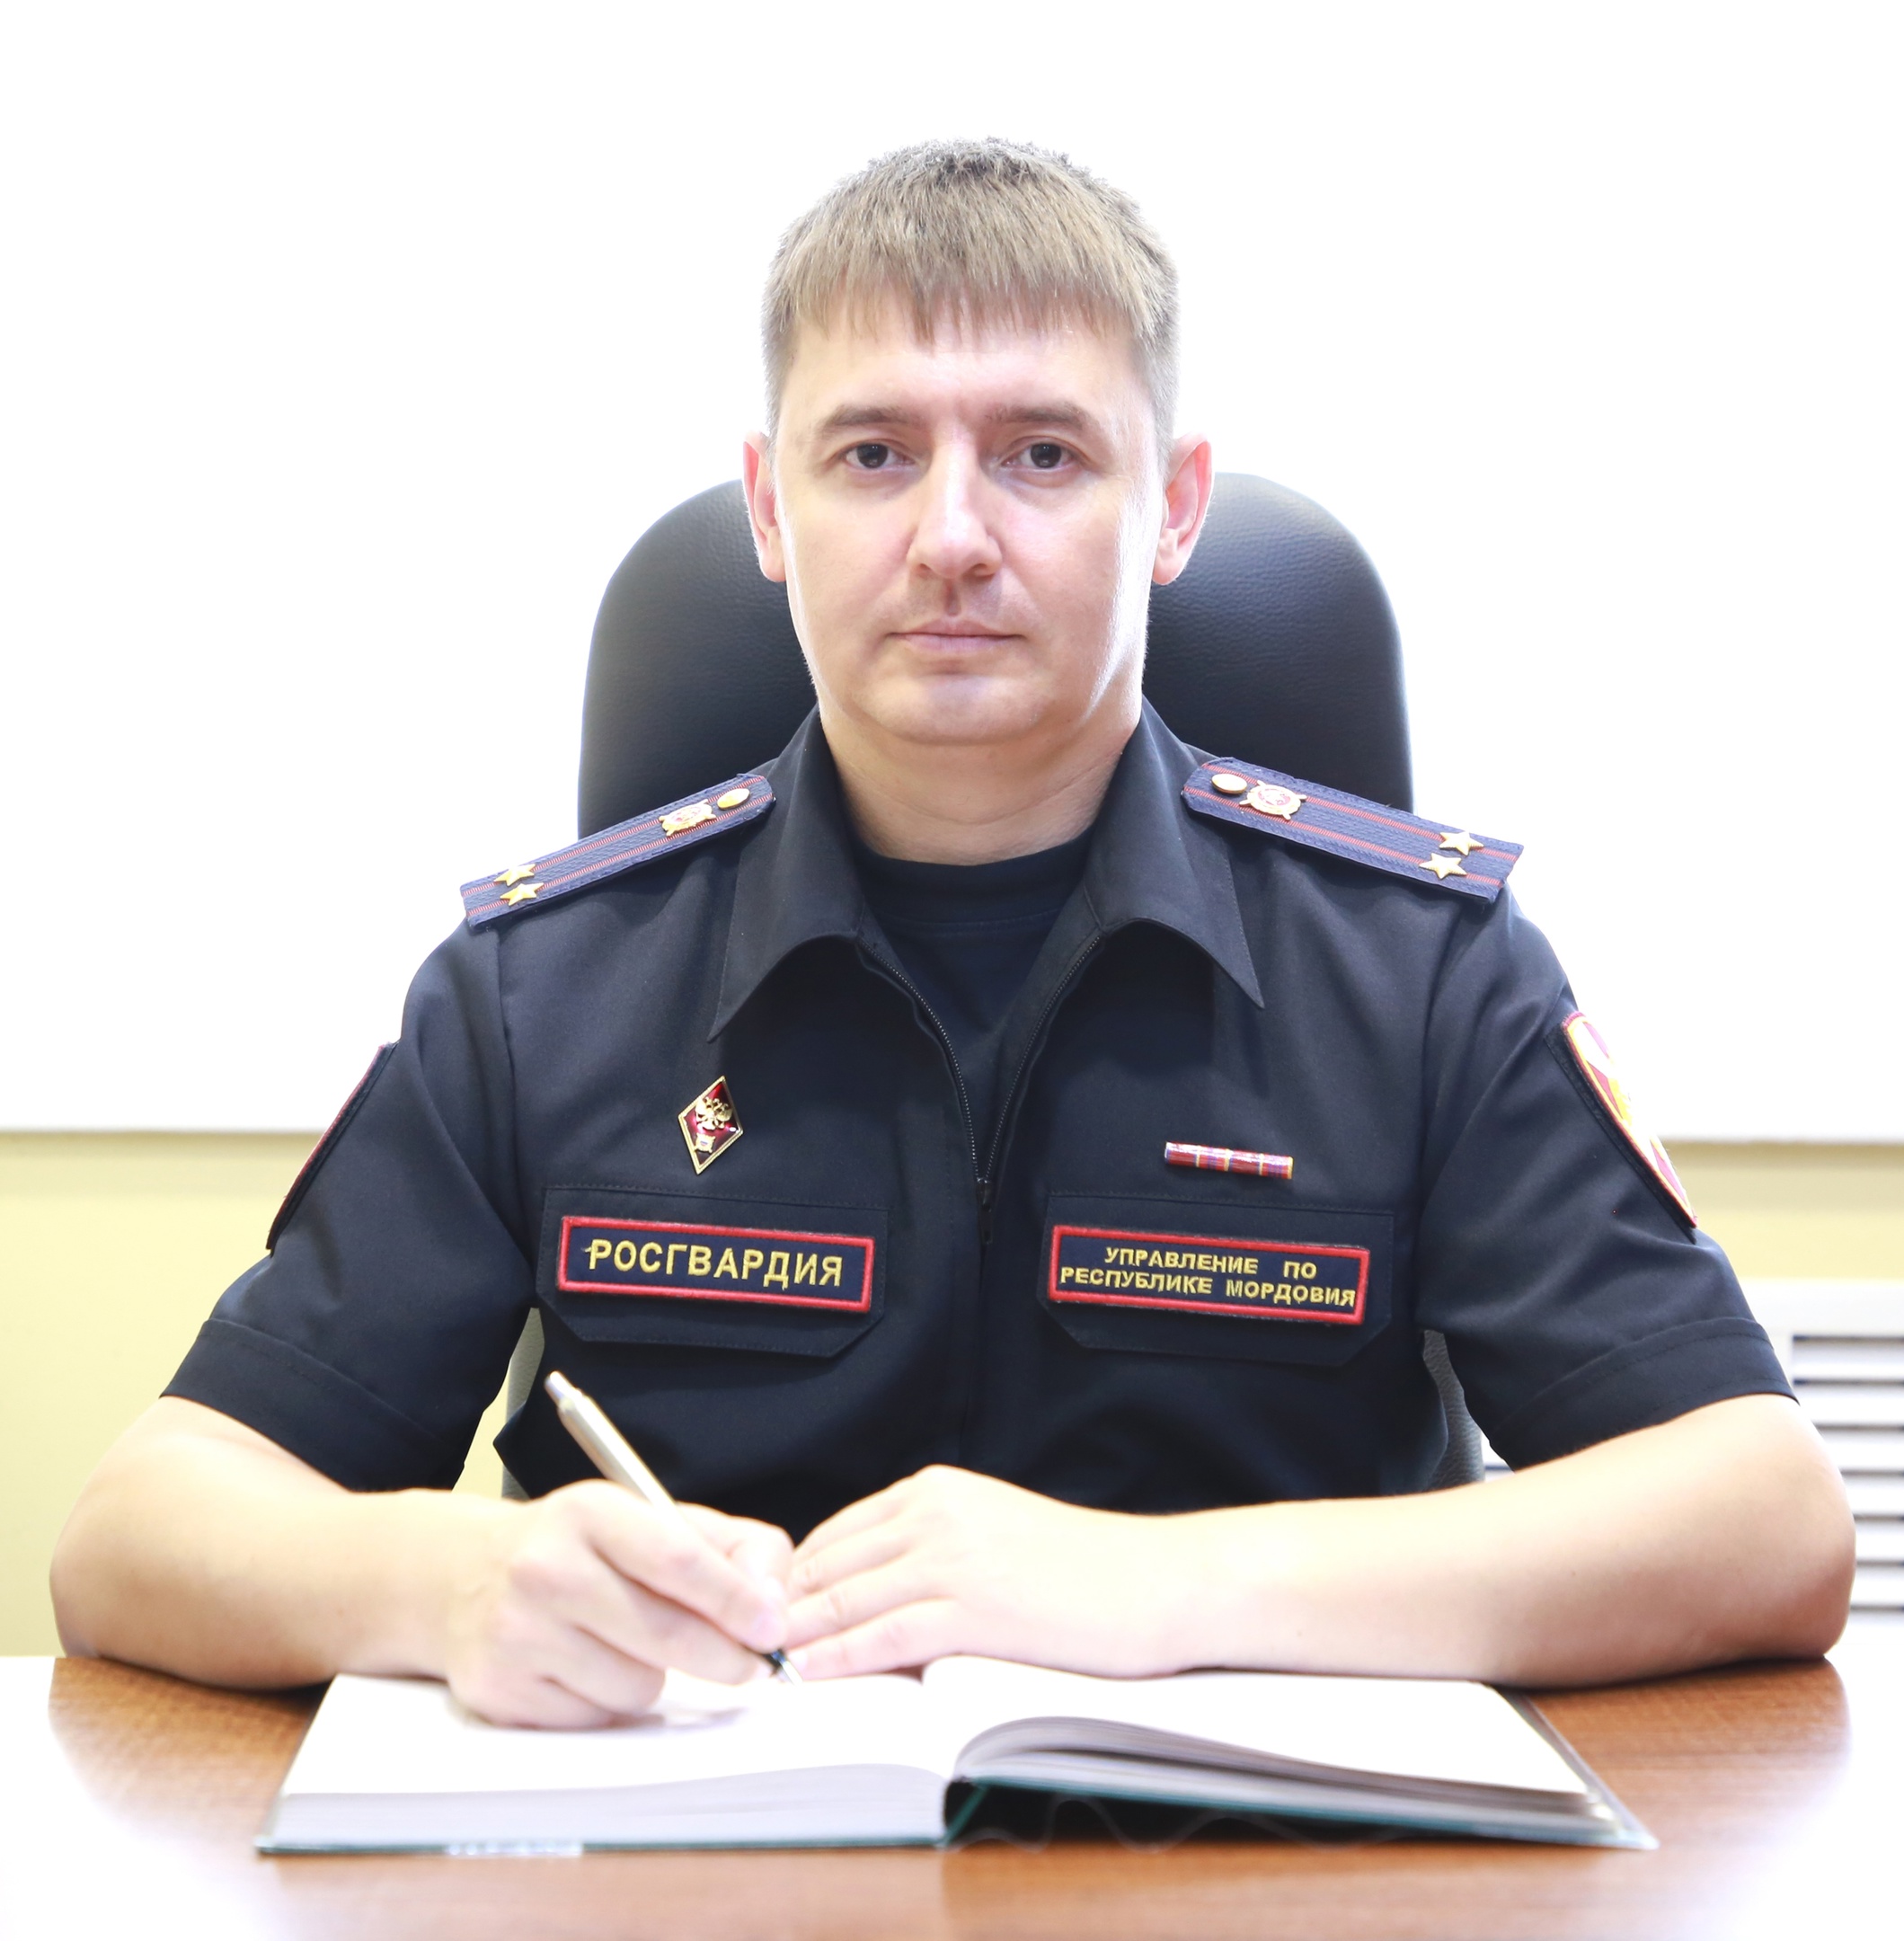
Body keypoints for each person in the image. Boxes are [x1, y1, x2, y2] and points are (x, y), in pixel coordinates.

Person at [52, 140, 1852, 1728]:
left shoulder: (1422, 971)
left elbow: (1760, 1520)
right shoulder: (539, 991)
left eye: (1043, 454)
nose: (952, 539)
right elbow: (136, 1533)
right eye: (872, 454)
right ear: (772, 507)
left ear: (1174, 507)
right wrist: (442, 1584)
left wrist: (1153, 1590)